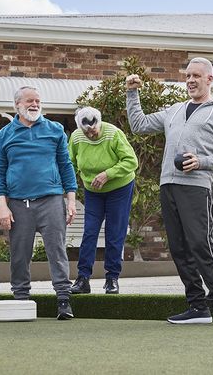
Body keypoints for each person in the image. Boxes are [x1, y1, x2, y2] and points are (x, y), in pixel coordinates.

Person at [126, 58, 213, 326]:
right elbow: (139, 125)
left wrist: (202, 161)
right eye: (188, 75)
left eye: (196, 76)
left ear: (210, 79)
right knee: (179, 249)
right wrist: (132, 93)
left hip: (196, 188)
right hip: (168, 185)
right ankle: (197, 306)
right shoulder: (175, 110)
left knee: (201, 244)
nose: (190, 80)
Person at [0, 86, 78, 320]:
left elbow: (66, 166)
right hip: (18, 203)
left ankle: (63, 300)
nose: (35, 105)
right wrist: (2, 206)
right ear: (17, 105)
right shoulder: (5, 134)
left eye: (38, 101)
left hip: (51, 200)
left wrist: (71, 201)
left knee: (57, 251)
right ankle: (21, 299)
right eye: (29, 101)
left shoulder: (55, 129)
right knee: (19, 254)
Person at [68, 106, 139, 295]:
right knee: (90, 231)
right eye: (87, 132)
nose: (91, 134)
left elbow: (131, 161)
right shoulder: (76, 138)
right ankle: (83, 278)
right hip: (93, 191)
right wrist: (69, 188)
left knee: (114, 232)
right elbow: (70, 163)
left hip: (120, 188)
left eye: (94, 130)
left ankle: (112, 278)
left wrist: (108, 174)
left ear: (99, 123)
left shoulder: (113, 133)